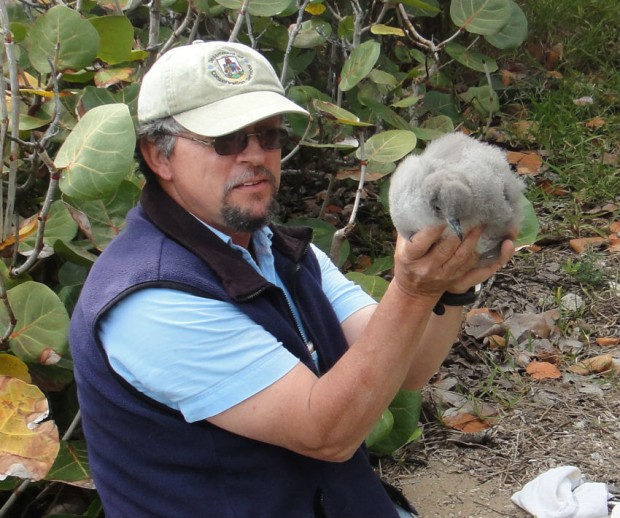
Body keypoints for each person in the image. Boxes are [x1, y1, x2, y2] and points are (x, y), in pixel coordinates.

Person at [69, 40, 515, 518]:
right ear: (159, 156)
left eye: (269, 136)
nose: (255, 156)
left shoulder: (277, 249)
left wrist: (452, 285)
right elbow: (325, 432)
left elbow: (410, 368)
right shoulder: (150, 299)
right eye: (227, 141)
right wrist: (414, 289)